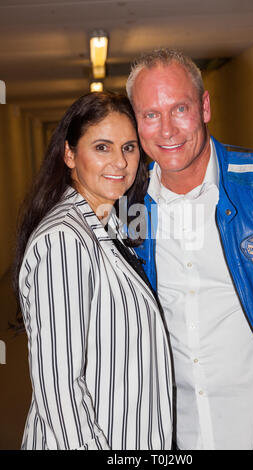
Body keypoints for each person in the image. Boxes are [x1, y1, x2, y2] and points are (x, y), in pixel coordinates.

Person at [126, 48, 253, 450]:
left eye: (179, 108)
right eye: (150, 114)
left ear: (204, 106)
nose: (166, 130)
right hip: (175, 437)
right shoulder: (129, 207)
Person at [13, 91, 173, 450]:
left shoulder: (109, 227)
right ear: (69, 154)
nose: (120, 162)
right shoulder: (64, 241)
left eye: (129, 148)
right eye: (102, 147)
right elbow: (59, 387)